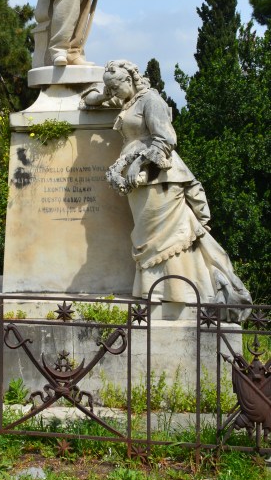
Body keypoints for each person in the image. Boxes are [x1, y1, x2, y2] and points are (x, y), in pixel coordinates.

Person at [84, 60, 251, 317]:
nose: (114, 96)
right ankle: (156, 294)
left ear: (129, 81)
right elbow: (91, 100)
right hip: (139, 182)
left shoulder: (151, 100)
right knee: (146, 239)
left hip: (160, 178)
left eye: (117, 88)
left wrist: (137, 163)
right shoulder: (128, 100)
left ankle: (182, 299)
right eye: (113, 91)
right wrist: (106, 91)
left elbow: (166, 139)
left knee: (167, 240)